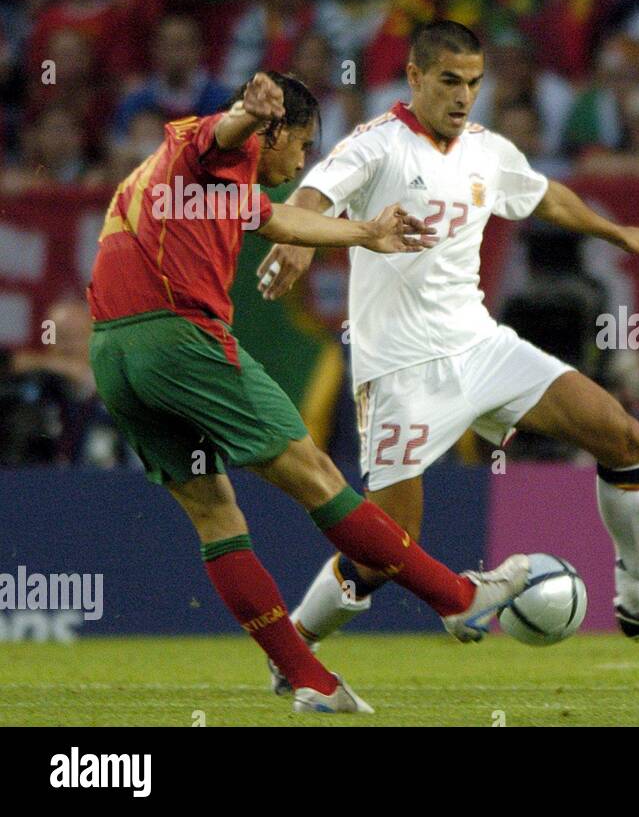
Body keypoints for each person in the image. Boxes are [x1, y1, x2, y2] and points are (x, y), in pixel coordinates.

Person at [256, 22, 639, 683]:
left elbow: (545, 195)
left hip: (480, 346)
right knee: (385, 550)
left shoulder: (486, 150)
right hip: (401, 369)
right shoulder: (375, 145)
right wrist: (299, 241)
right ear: (416, 77)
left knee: (620, 434)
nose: (463, 95)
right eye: (449, 80)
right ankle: (295, 648)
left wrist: (611, 229)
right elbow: (312, 196)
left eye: (474, 82)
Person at [86, 70, 530, 714]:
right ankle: (459, 600)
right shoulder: (217, 144)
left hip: (114, 354)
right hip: (179, 338)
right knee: (317, 475)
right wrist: (246, 111)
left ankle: (308, 679)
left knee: (217, 517)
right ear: (275, 131)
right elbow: (225, 132)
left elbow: (283, 222)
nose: (302, 161)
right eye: (300, 145)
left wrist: (367, 233)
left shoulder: (186, 180)